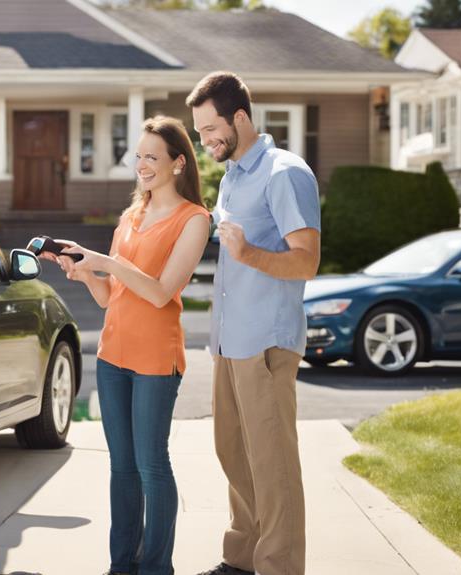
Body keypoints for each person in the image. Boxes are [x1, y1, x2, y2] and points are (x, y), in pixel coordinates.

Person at [41, 115, 210, 575]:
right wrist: (85, 269)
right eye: (138, 156)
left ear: (178, 163)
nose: (142, 165)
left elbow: (159, 292)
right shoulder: (130, 217)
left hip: (156, 358)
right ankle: (122, 566)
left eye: (152, 157)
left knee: (152, 464)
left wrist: (107, 263)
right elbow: (110, 298)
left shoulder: (194, 220)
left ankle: (156, 567)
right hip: (113, 357)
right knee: (122, 467)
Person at [187, 72, 321, 575]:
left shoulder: (285, 173)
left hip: (266, 341)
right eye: (199, 132)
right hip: (229, 340)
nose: (206, 141)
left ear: (240, 117)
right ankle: (241, 559)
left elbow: (306, 261)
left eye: (210, 129)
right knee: (235, 454)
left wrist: (248, 253)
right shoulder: (234, 176)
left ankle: (279, 567)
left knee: (273, 464)